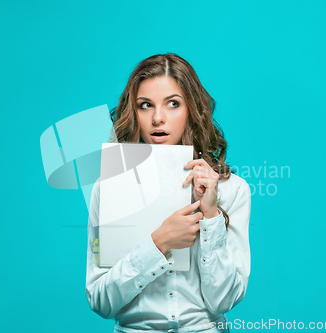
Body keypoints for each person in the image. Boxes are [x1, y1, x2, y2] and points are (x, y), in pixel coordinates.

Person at [85, 53, 251, 333]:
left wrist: (210, 216)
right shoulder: (110, 187)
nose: (158, 118)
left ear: (192, 109)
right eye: (145, 105)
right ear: (133, 112)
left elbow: (223, 301)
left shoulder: (232, 189)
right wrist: (158, 243)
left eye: (173, 104)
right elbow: (101, 301)